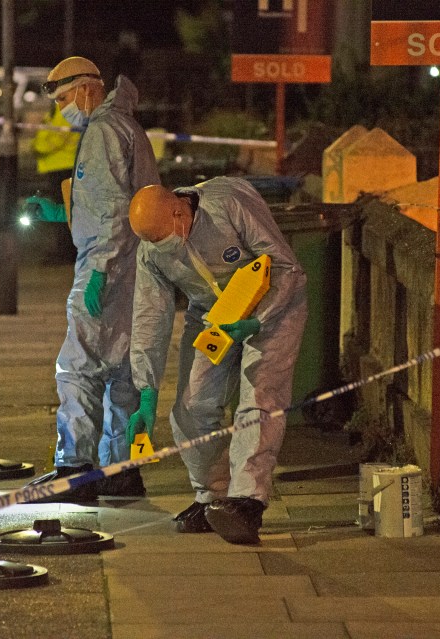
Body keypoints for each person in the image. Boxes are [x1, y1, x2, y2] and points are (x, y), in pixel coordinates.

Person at [126, 179, 308, 544]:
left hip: (273, 303)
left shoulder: (227, 205)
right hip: (212, 312)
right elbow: (150, 318)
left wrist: (259, 319)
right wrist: (145, 392)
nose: (166, 249)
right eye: (156, 244)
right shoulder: (151, 251)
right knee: (192, 406)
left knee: (259, 397)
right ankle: (212, 497)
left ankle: (247, 501)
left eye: (165, 239)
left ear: (179, 208)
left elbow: (286, 266)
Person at [25, 56, 160, 500]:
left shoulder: (103, 132)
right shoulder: (127, 127)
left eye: (64, 98)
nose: (64, 109)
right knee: (121, 370)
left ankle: (74, 469)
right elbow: (119, 204)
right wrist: (60, 212)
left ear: (86, 89)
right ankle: (121, 470)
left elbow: (111, 214)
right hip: (135, 265)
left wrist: (98, 272)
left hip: (107, 266)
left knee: (78, 366)